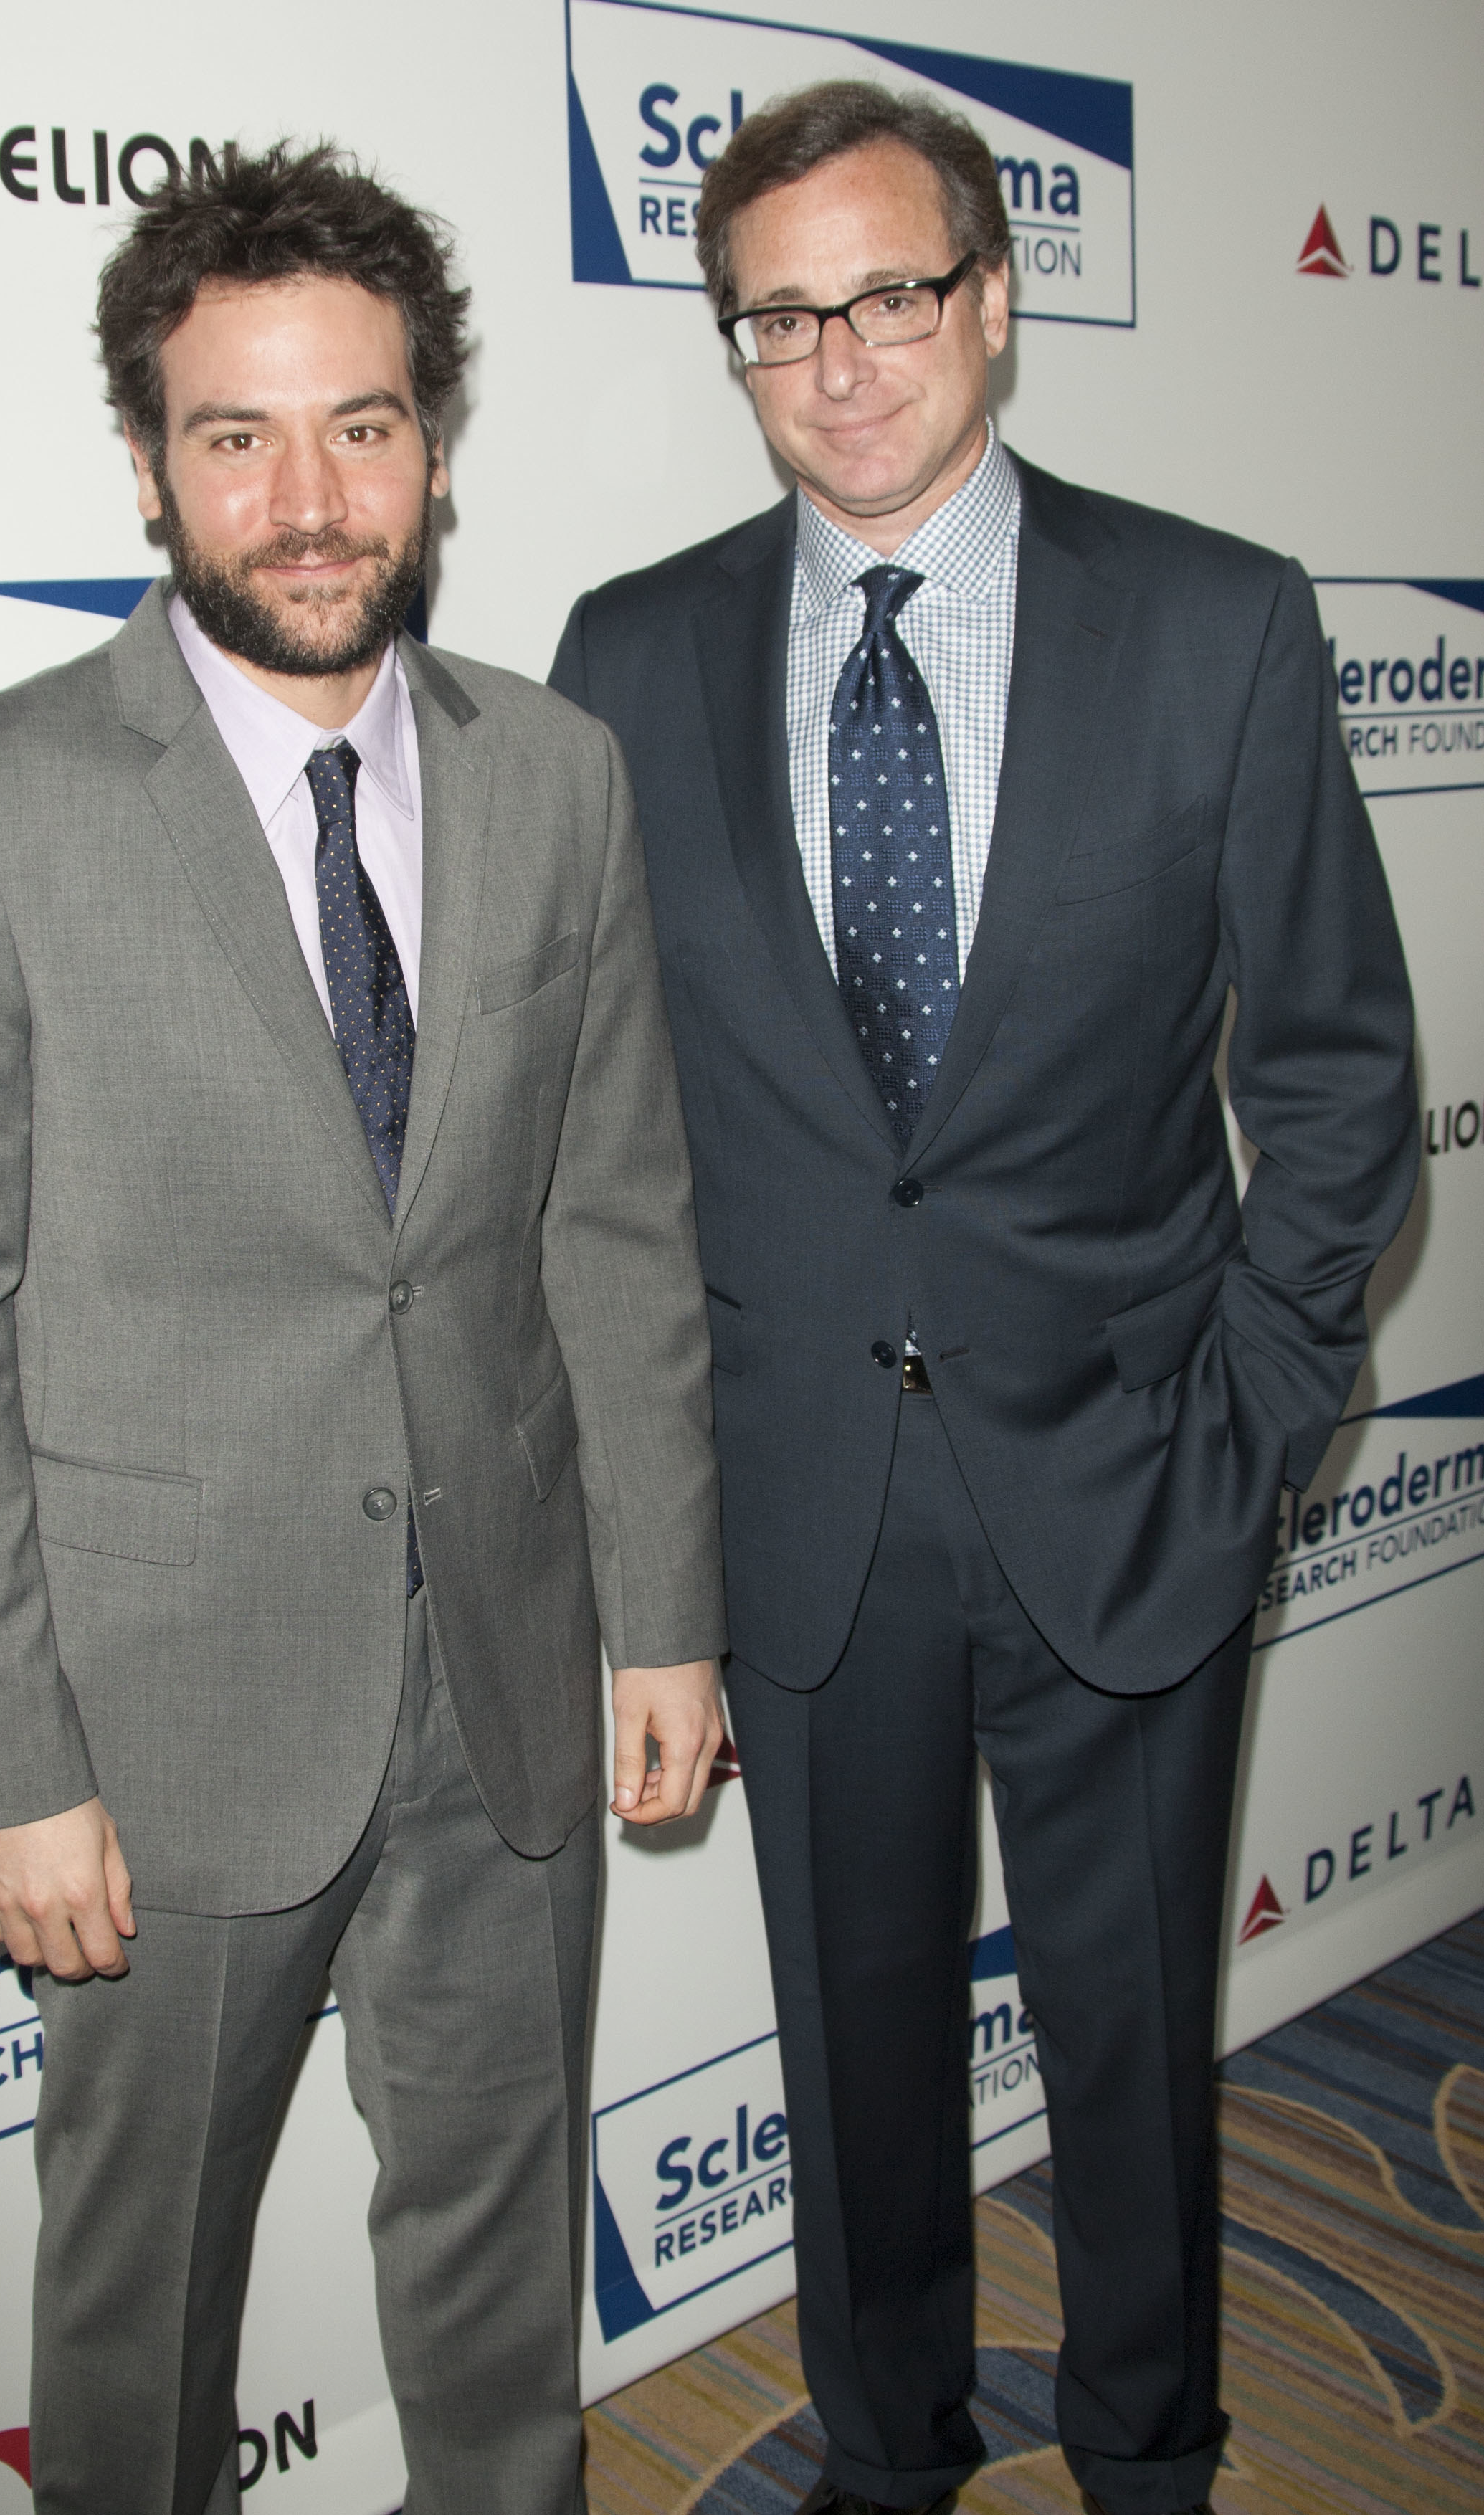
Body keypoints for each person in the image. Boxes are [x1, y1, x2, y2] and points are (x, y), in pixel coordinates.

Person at [0, 143, 727, 2515]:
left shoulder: (560, 775)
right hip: (161, 1724)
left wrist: (662, 1613)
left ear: (432, 439)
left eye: (360, 425)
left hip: (512, 1675)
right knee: (139, 2309)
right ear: (146, 462)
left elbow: (613, 1224)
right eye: (237, 434)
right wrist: (0, 1755)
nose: (308, 497)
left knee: (499, 2265)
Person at [551, 80, 1418, 2515]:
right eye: (781, 316)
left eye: (892, 294)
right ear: (735, 345)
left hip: (1132, 1480)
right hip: (798, 1514)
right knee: (849, 2053)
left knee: (1134, 2036)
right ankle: (887, 2449)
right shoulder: (626, 658)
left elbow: (1341, 1074)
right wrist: (648, 1551)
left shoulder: (1215, 618)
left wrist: (1249, 1420)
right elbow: (598, 1149)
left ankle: (1150, 2453)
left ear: (994, 298)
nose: (842, 359)